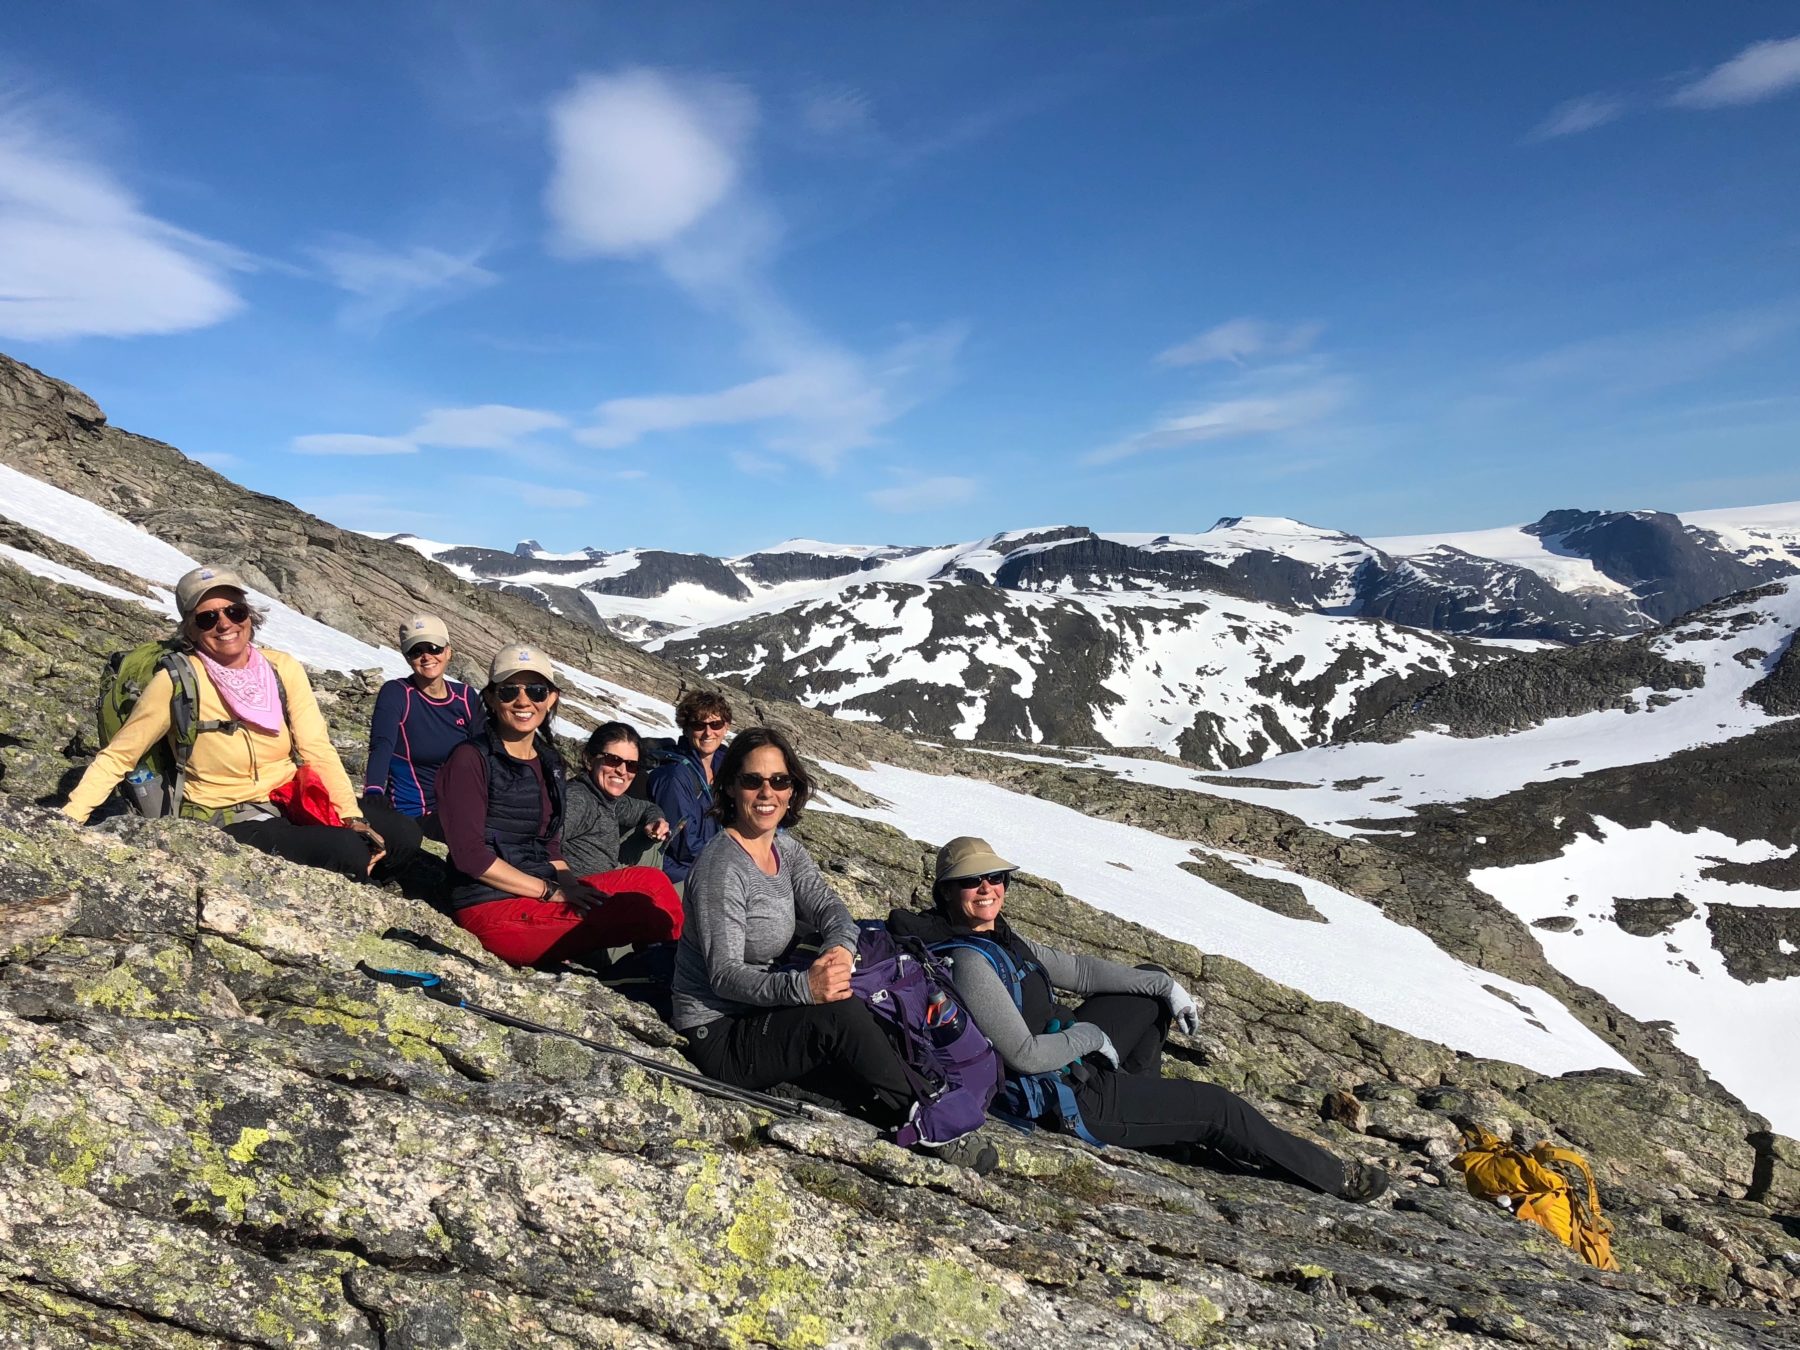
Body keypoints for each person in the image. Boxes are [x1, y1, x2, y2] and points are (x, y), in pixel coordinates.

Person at [889, 837, 1389, 1203]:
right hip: (1068, 1095)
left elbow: (1080, 970)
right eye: (971, 881)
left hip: (1073, 1061)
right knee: (1217, 1109)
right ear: (946, 892)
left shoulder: (996, 937)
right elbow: (1023, 1056)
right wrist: (1090, 1036)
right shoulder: (969, 962)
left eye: (996, 878)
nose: (987, 888)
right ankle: (1335, 1177)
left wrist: (1163, 986)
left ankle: (1152, 1116)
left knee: (1146, 983)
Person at [63, 564, 420, 882]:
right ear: (190, 629)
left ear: (249, 614)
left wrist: (349, 815)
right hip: (227, 815)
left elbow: (316, 749)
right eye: (207, 618)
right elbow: (119, 756)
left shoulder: (281, 668)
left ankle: (363, 879)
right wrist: (68, 822)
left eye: (234, 611)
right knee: (347, 850)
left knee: (404, 835)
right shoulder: (177, 682)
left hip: (288, 795)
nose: (225, 624)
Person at [671, 726, 924, 1137]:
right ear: (731, 787)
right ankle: (924, 1115)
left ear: (792, 790)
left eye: (779, 780)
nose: (767, 792)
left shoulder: (783, 848)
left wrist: (841, 948)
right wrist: (805, 988)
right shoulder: (723, 867)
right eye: (752, 780)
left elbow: (830, 908)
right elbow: (724, 976)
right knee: (839, 1012)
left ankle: (909, 1100)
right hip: (719, 1031)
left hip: (762, 1011)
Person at [361, 613, 484, 841]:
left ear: (448, 652)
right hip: (415, 812)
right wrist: (374, 790)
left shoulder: (466, 697)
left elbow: (485, 753)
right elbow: (382, 745)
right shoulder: (398, 693)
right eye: (416, 651)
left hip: (459, 805)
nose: (426, 656)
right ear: (407, 658)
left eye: (434, 648)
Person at [560, 721, 684, 947]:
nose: (622, 771)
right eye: (612, 760)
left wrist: (655, 821)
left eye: (631, 765)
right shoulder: (579, 799)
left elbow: (647, 808)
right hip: (578, 918)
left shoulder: (610, 800)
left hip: (599, 905)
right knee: (662, 888)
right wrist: (563, 889)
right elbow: (539, 845)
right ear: (589, 759)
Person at [647, 690, 733, 889]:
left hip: (710, 864)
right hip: (678, 874)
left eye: (716, 724)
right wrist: (731, 862)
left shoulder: (726, 768)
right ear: (685, 729)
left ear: (726, 727)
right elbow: (683, 845)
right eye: (698, 725)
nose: (708, 733)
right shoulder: (673, 776)